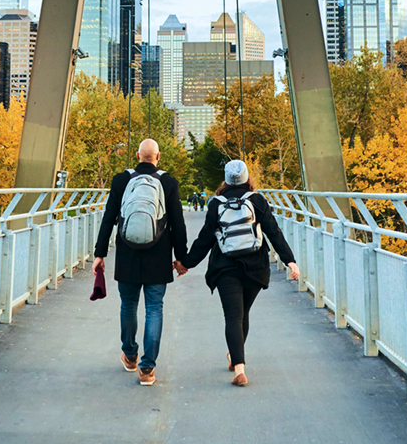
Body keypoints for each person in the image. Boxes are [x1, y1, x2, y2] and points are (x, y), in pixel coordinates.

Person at [174, 160, 299, 387]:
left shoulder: (216, 204)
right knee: (244, 313)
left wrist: (186, 263)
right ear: (246, 177)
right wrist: (290, 261)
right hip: (255, 268)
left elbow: (205, 240)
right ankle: (236, 356)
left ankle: (239, 368)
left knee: (233, 315)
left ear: (225, 179)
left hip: (225, 267)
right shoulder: (258, 201)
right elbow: (274, 232)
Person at [93, 139, 188, 386]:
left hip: (127, 255)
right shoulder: (168, 182)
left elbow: (108, 218)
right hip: (158, 257)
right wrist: (181, 258)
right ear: (159, 156)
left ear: (137, 155)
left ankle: (131, 354)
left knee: (128, 305)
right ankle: (147, 370)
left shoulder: (121, 180)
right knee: (154, 308)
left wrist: (99, 254)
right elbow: (178, 223)